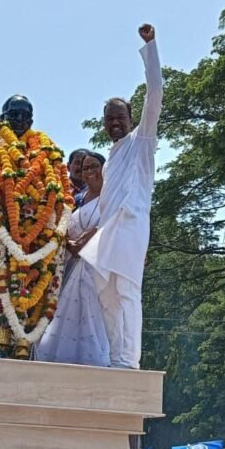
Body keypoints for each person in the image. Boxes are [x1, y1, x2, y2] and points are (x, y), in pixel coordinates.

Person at [79, 23, 163, 369]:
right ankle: (116, 358)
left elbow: (155, 92)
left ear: (131, 119)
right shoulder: (111, 157)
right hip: (108, 233)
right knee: (106, 295)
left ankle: (129, 361)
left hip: (130, 228)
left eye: (119, 117)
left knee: (127, 292)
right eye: (109, 119)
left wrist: (151, 47)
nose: (114, 123)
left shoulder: (142, 143)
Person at [36, 151, 110, 366]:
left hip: (94, 267)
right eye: (85, 168)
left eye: (94, 166)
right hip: (69, 264)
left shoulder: (111, 198)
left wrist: (92, 236)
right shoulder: (76, 200)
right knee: (61, 319)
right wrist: (69, 244)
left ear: (105, 169)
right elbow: (61, 228)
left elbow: (113, 225)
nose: (89, 172)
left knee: (91, 320)